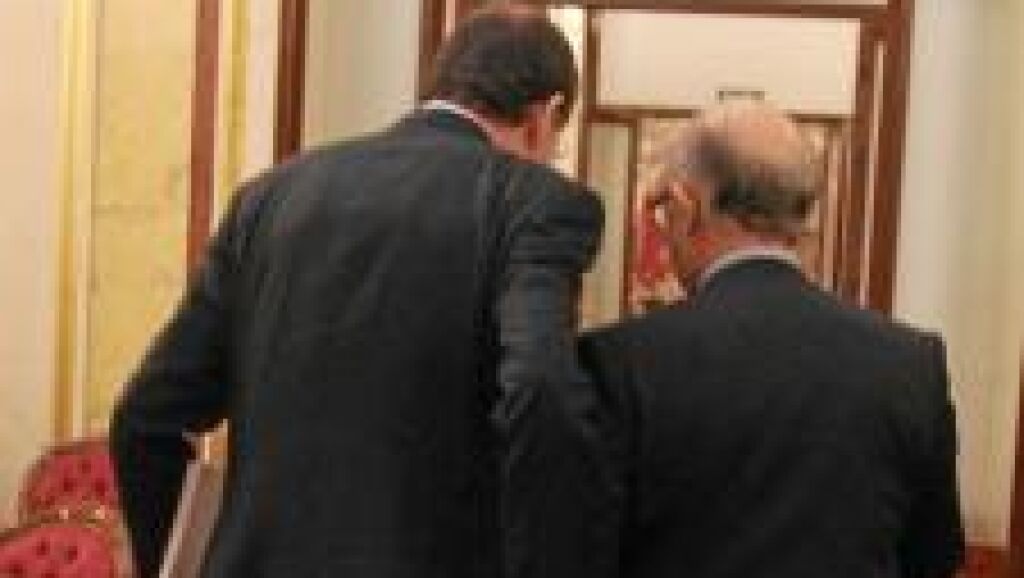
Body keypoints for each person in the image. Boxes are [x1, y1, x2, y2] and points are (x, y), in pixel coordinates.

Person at [110, 6, 609, 577]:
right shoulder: (531, 201)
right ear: (545, 117)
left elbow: (145, 418)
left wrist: (182, 561)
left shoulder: (269, 199)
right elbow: (541, 390)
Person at [580, 104, 965, 578]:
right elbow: (934, 557)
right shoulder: (909, 364)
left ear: (686, 207)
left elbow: (583, 548)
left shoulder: (621, 362)